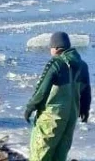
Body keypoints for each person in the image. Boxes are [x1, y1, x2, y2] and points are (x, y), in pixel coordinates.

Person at [25, 31, 92, 161]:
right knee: (60, 153)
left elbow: (42, 90)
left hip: (53, 116)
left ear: (56, 47)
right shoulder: (82, 65)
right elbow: (86, 91)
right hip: (71, 116)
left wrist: (30, 107)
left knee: (41, 152)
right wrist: (84, 110)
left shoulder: (56, 64)